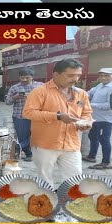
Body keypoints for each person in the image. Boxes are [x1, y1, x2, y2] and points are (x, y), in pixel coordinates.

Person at [22, 58, 93, 189]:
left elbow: (87, 112)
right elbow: (28, 113)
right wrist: (57, 116)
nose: (75, 79)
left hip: (72, 143)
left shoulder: (81, 94)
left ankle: (71, 207)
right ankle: (46, 206)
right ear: (56, 74)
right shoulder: (40, 91)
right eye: (70, 75)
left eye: (78, 75)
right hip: (45, 144)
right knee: (45, 179)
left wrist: (86, 122)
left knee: (75, 178)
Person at [82, 67, 112, 170]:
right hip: (96, 118)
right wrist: (83, 95)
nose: (103, 78)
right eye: (101, 75)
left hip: (106, 119)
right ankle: (91, 156)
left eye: (107, 75)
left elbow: (109, 105)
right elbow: (91, 92)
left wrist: (90, 104)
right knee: (93, 136)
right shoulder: (101, 85)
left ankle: (106, 162)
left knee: (104, 140)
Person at [4, 67, 43, 162]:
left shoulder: (40, 86)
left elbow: (47, 98)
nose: (24, 80)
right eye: (22, 77)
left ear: (32, 77)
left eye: (27, 77)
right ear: (19, 77)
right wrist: (16, 97)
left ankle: (17, 148)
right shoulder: (14, 88)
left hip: (37, 115)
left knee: (36, 135)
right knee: (23, 137)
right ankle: (29, 154)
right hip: (20, 116)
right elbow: (7, 102)